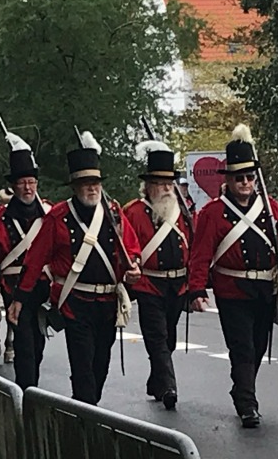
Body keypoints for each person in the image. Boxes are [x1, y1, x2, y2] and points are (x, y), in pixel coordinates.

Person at [13, 131, 141, 405]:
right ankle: (86, 416)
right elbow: (34, 260)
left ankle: (87, 408)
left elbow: (131, 249)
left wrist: (134, 267)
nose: (92, 188)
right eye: (85, 183)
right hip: (75, 302)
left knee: (100, 366)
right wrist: (20, 298)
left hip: (107, 302)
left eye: (95, 182)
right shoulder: (58, 216)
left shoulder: (114, 213)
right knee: (82, 368)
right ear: (74, 186)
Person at [187, 124, 278, 428]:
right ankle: (248, 404)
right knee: (243, 348)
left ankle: (242, 388)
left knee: (258, 347)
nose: (246, 182)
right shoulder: (212, 214)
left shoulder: (271, 207)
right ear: (230, 180)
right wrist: (197, 289)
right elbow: (200, 255)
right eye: (239, 178)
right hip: (232, 290)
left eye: (250, 177)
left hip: (265, 289)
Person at [0, 132, 50, 390]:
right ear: (13, 187)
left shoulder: (50, 213)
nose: (28, 188)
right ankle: (28, 392)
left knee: (38, 343)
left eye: (32, 182)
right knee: (24, 342)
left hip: (46, 288)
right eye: (22, 183)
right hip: (14, 288)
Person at [123, 145, 193, 410]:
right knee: (157, 337)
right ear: (148, 185)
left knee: (169, 338)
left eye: (169, 183)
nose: (165, 188)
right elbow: (128, 245)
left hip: (177, 284)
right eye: (159, 183)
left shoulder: (183, 212)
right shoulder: (134, 212)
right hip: (149, 283)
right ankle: (168, 388)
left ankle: (156, 380)